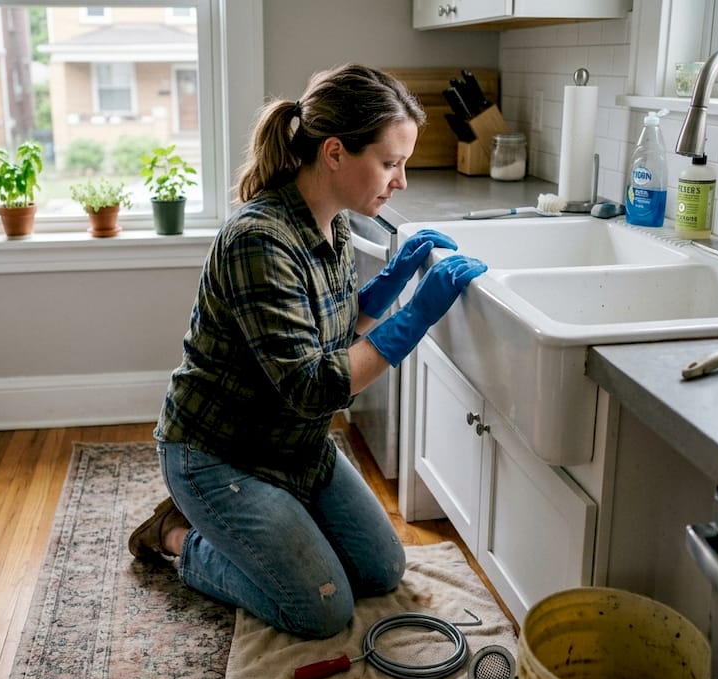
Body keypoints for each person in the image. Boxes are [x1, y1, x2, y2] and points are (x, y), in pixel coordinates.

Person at [128, 63, 486, 639]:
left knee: (382, 568)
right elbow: (311, 385)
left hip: (296, 446)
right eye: (390, 163)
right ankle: (180, 537)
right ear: (337, 153)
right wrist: (416, 315)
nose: (401, 181)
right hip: (219, 455)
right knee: (320, 609)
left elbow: (333, 328)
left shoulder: (333, 223)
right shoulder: (258, 240)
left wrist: (391, 282)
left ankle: (268, 530)